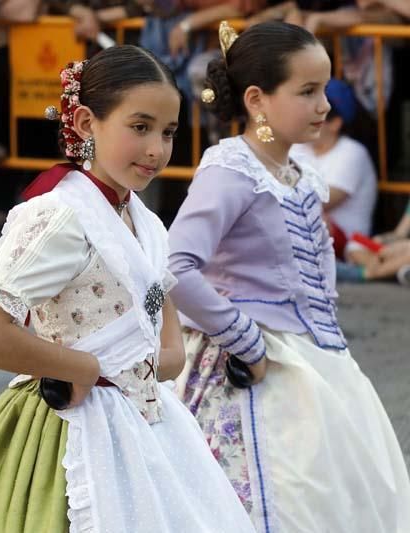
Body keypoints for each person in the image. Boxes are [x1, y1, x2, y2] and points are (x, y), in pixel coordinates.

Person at [0, 45, 255, 533]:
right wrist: (82, 366)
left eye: (168, 132)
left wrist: (162, 356)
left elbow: (163, 316)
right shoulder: (59, 216)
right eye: (139, 128)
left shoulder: (146, 221)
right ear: (85, 123)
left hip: (148, 423)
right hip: (70, 425)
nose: (156, 149)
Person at [169, 21, 410, 532]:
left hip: (316, 362)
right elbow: (174, 269)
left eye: (323, 89)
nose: (324, 105)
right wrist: (246, 340)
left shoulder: (296, 174)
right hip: (250, 369)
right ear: (257, 99)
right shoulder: (232, 170)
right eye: (307, 92)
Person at [291, 78, 377, 258]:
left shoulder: (353, 152)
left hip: (347, 241)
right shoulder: (298, 147)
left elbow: (321, 201)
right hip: (308, 231)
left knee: (311, 216)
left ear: (335, 123)